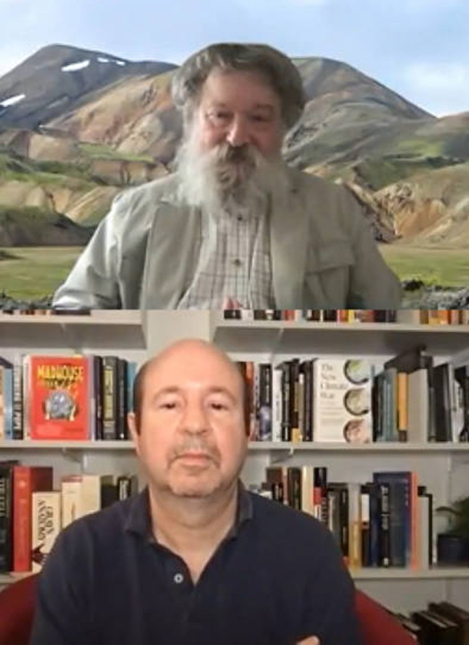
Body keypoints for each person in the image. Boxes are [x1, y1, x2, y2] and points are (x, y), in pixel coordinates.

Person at [30, 339, 361, 645]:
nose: (194, 424)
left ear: (249, 430)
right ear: (136, 431)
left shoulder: (309, 549)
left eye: (217, 405)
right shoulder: (80, 553)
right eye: (171, 404)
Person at [51, 42, 402, 310]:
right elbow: (76, 309)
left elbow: (385, 317)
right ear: (192, 121)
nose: (237, 137)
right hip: (166, 395)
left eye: (259, 118)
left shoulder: (333, 208)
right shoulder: (135, 211)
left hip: (294, 394)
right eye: (220, 116)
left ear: (285, 127)